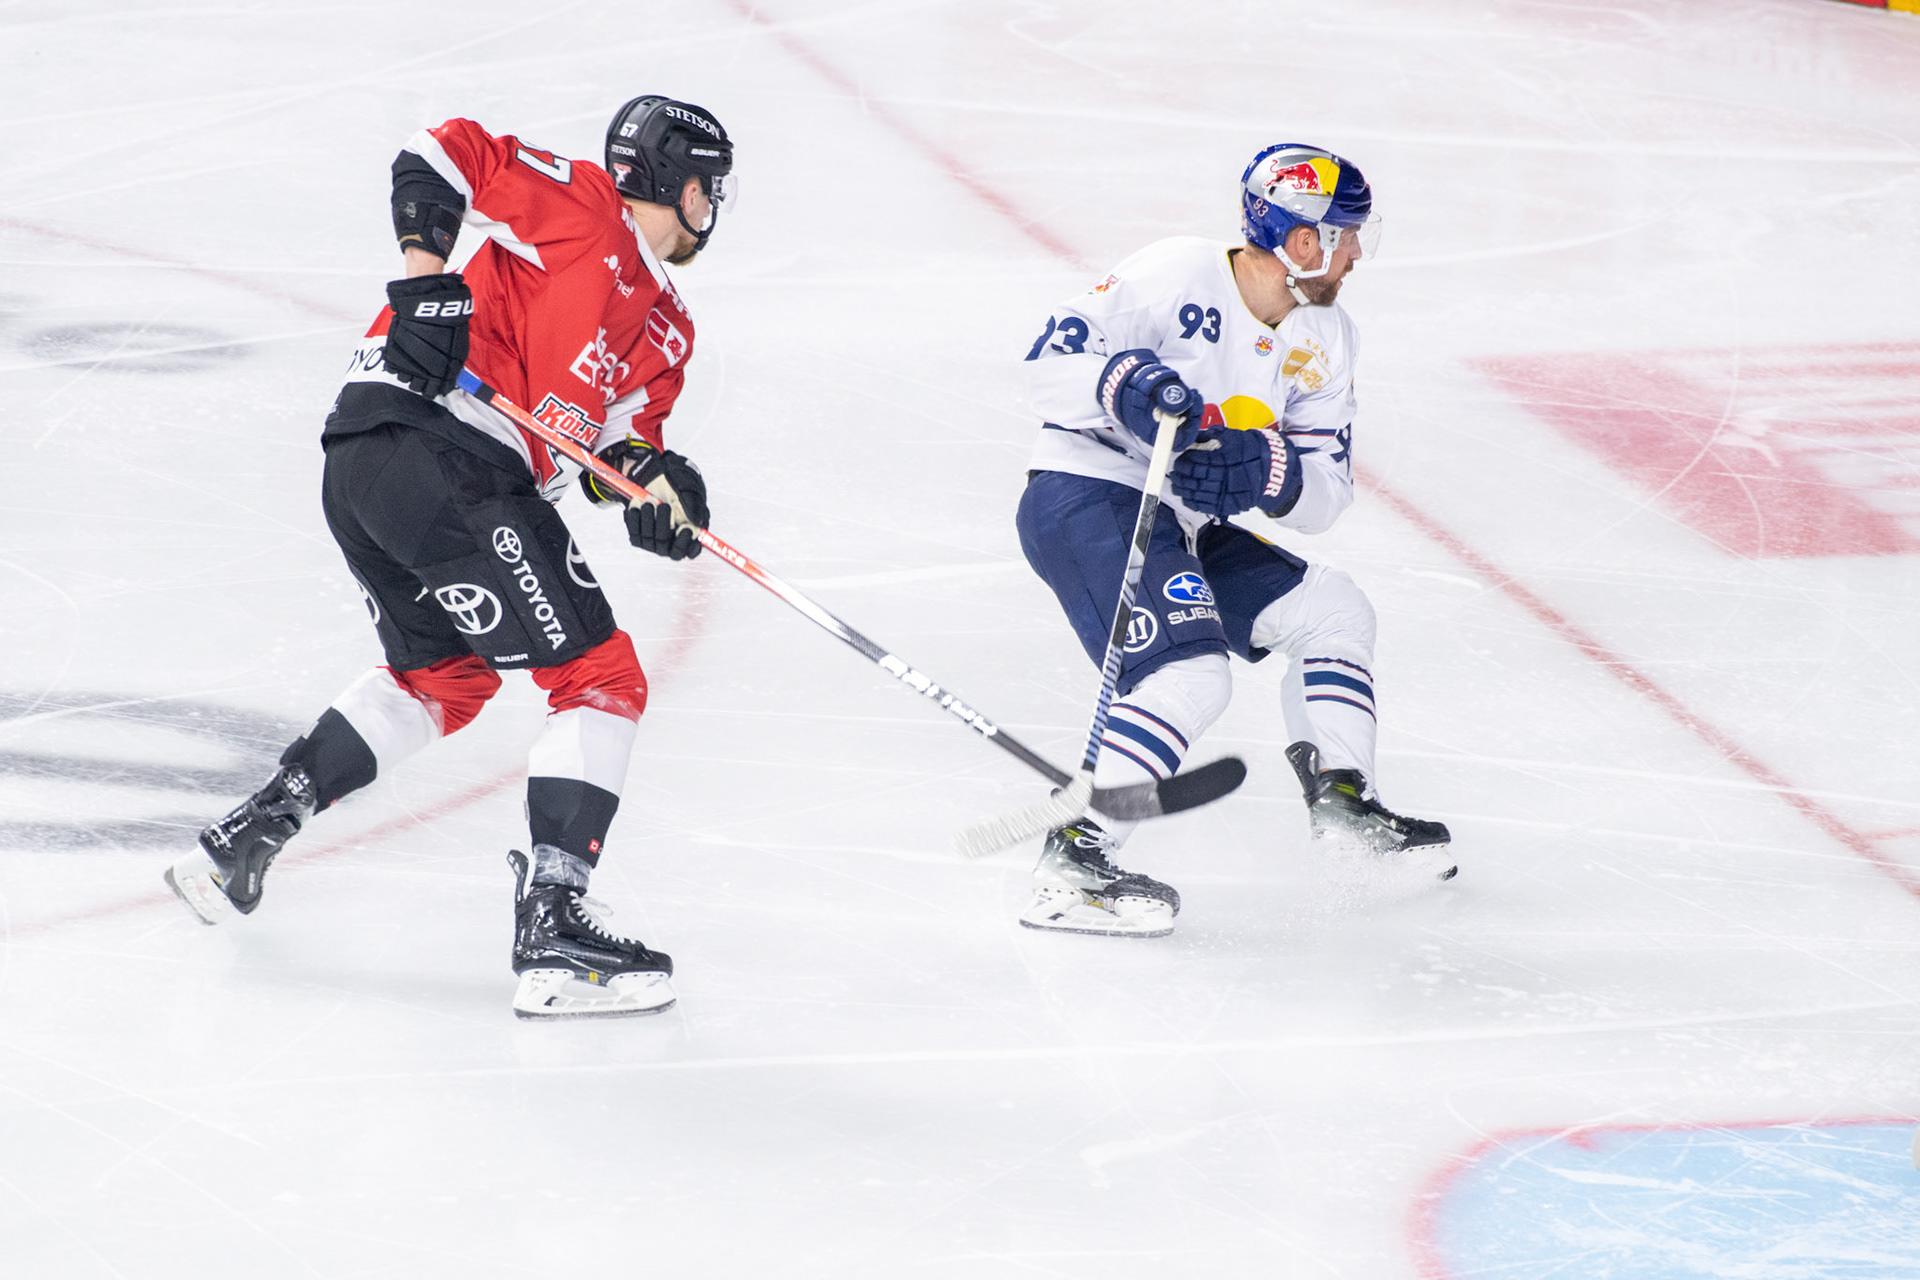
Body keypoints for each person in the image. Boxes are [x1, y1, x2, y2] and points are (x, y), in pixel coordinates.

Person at [165, 95, 736, 1017]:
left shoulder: (668, 332)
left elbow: (614, 453)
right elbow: (441, 151)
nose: (713, 211)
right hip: (441, 449)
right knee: (600, 679)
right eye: (711, 188)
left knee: (445, 679)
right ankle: (554, 926)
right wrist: (427, 280)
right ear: (681, 180)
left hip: (374, 465)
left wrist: (655, 488)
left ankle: (250, 831)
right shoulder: (585, 208)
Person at [1013, 143, 1453, 938]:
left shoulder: (1329, 336)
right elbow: (1050, 360)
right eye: (1343, 233)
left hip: (1176, 518)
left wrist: (1272, 470)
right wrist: (1125, 387)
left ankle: (1347, 809)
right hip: (1087, 493)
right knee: (1190, 675)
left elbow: (1326, 494)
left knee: (1335, 614)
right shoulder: (1178, 272)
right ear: (1297, 236)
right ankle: (1073, 862)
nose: (1355, 252)